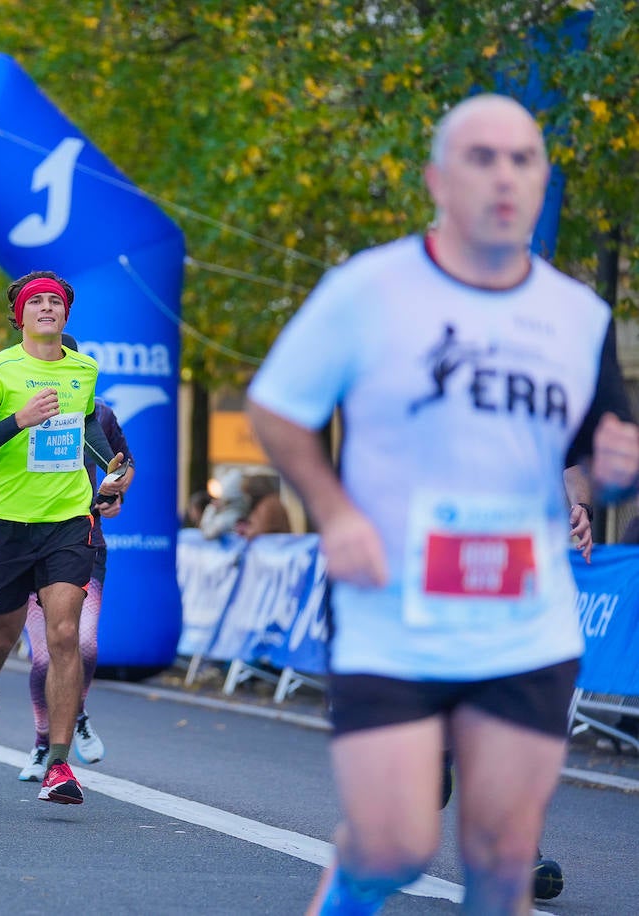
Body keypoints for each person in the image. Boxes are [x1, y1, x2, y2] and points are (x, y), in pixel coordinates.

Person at [245, 94, 639, 914]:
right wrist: (335, 510)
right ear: (436, 180)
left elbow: (593, 452)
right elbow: (278, 408)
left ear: (541, 183)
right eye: (481, 157)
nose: (505, 176)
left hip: (524, 612)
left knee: (503, 861)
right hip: (392, 607)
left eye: (524, 159)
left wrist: (589, 486)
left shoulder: (579, 317)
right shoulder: (369, 289)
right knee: (394, 842)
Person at [0, 270, 131, 806]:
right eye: (38, 302)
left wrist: (111, 469)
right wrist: (18, 420)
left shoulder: (83, 369)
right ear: (21, 316)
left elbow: (87, 429)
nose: (48, 308)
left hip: (68, 522)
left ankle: (59, 765)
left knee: (64, 637)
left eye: (56, 301)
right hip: (8, 523)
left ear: (65, 315)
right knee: (1, 638)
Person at [17, 332, 135, 782]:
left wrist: (114, 491)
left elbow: (123, 465)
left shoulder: (100, 414)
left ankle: (76, 715)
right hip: (26, 541)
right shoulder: (19, 405)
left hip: (85, 540)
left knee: (82, 645)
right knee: (46, 657)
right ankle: (43, 741)